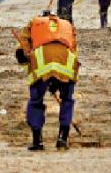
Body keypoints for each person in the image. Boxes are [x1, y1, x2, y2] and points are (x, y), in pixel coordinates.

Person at [15, 13, 80, 151]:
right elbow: (74, 50)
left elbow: (22, 53)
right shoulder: (67, 25)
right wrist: (57, 77)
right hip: (66, 63)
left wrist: (26, 58)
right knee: (67, 99)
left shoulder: (33, 23)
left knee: (36, 100)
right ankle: (62, 139)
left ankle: (37, 141)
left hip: (41, 63)